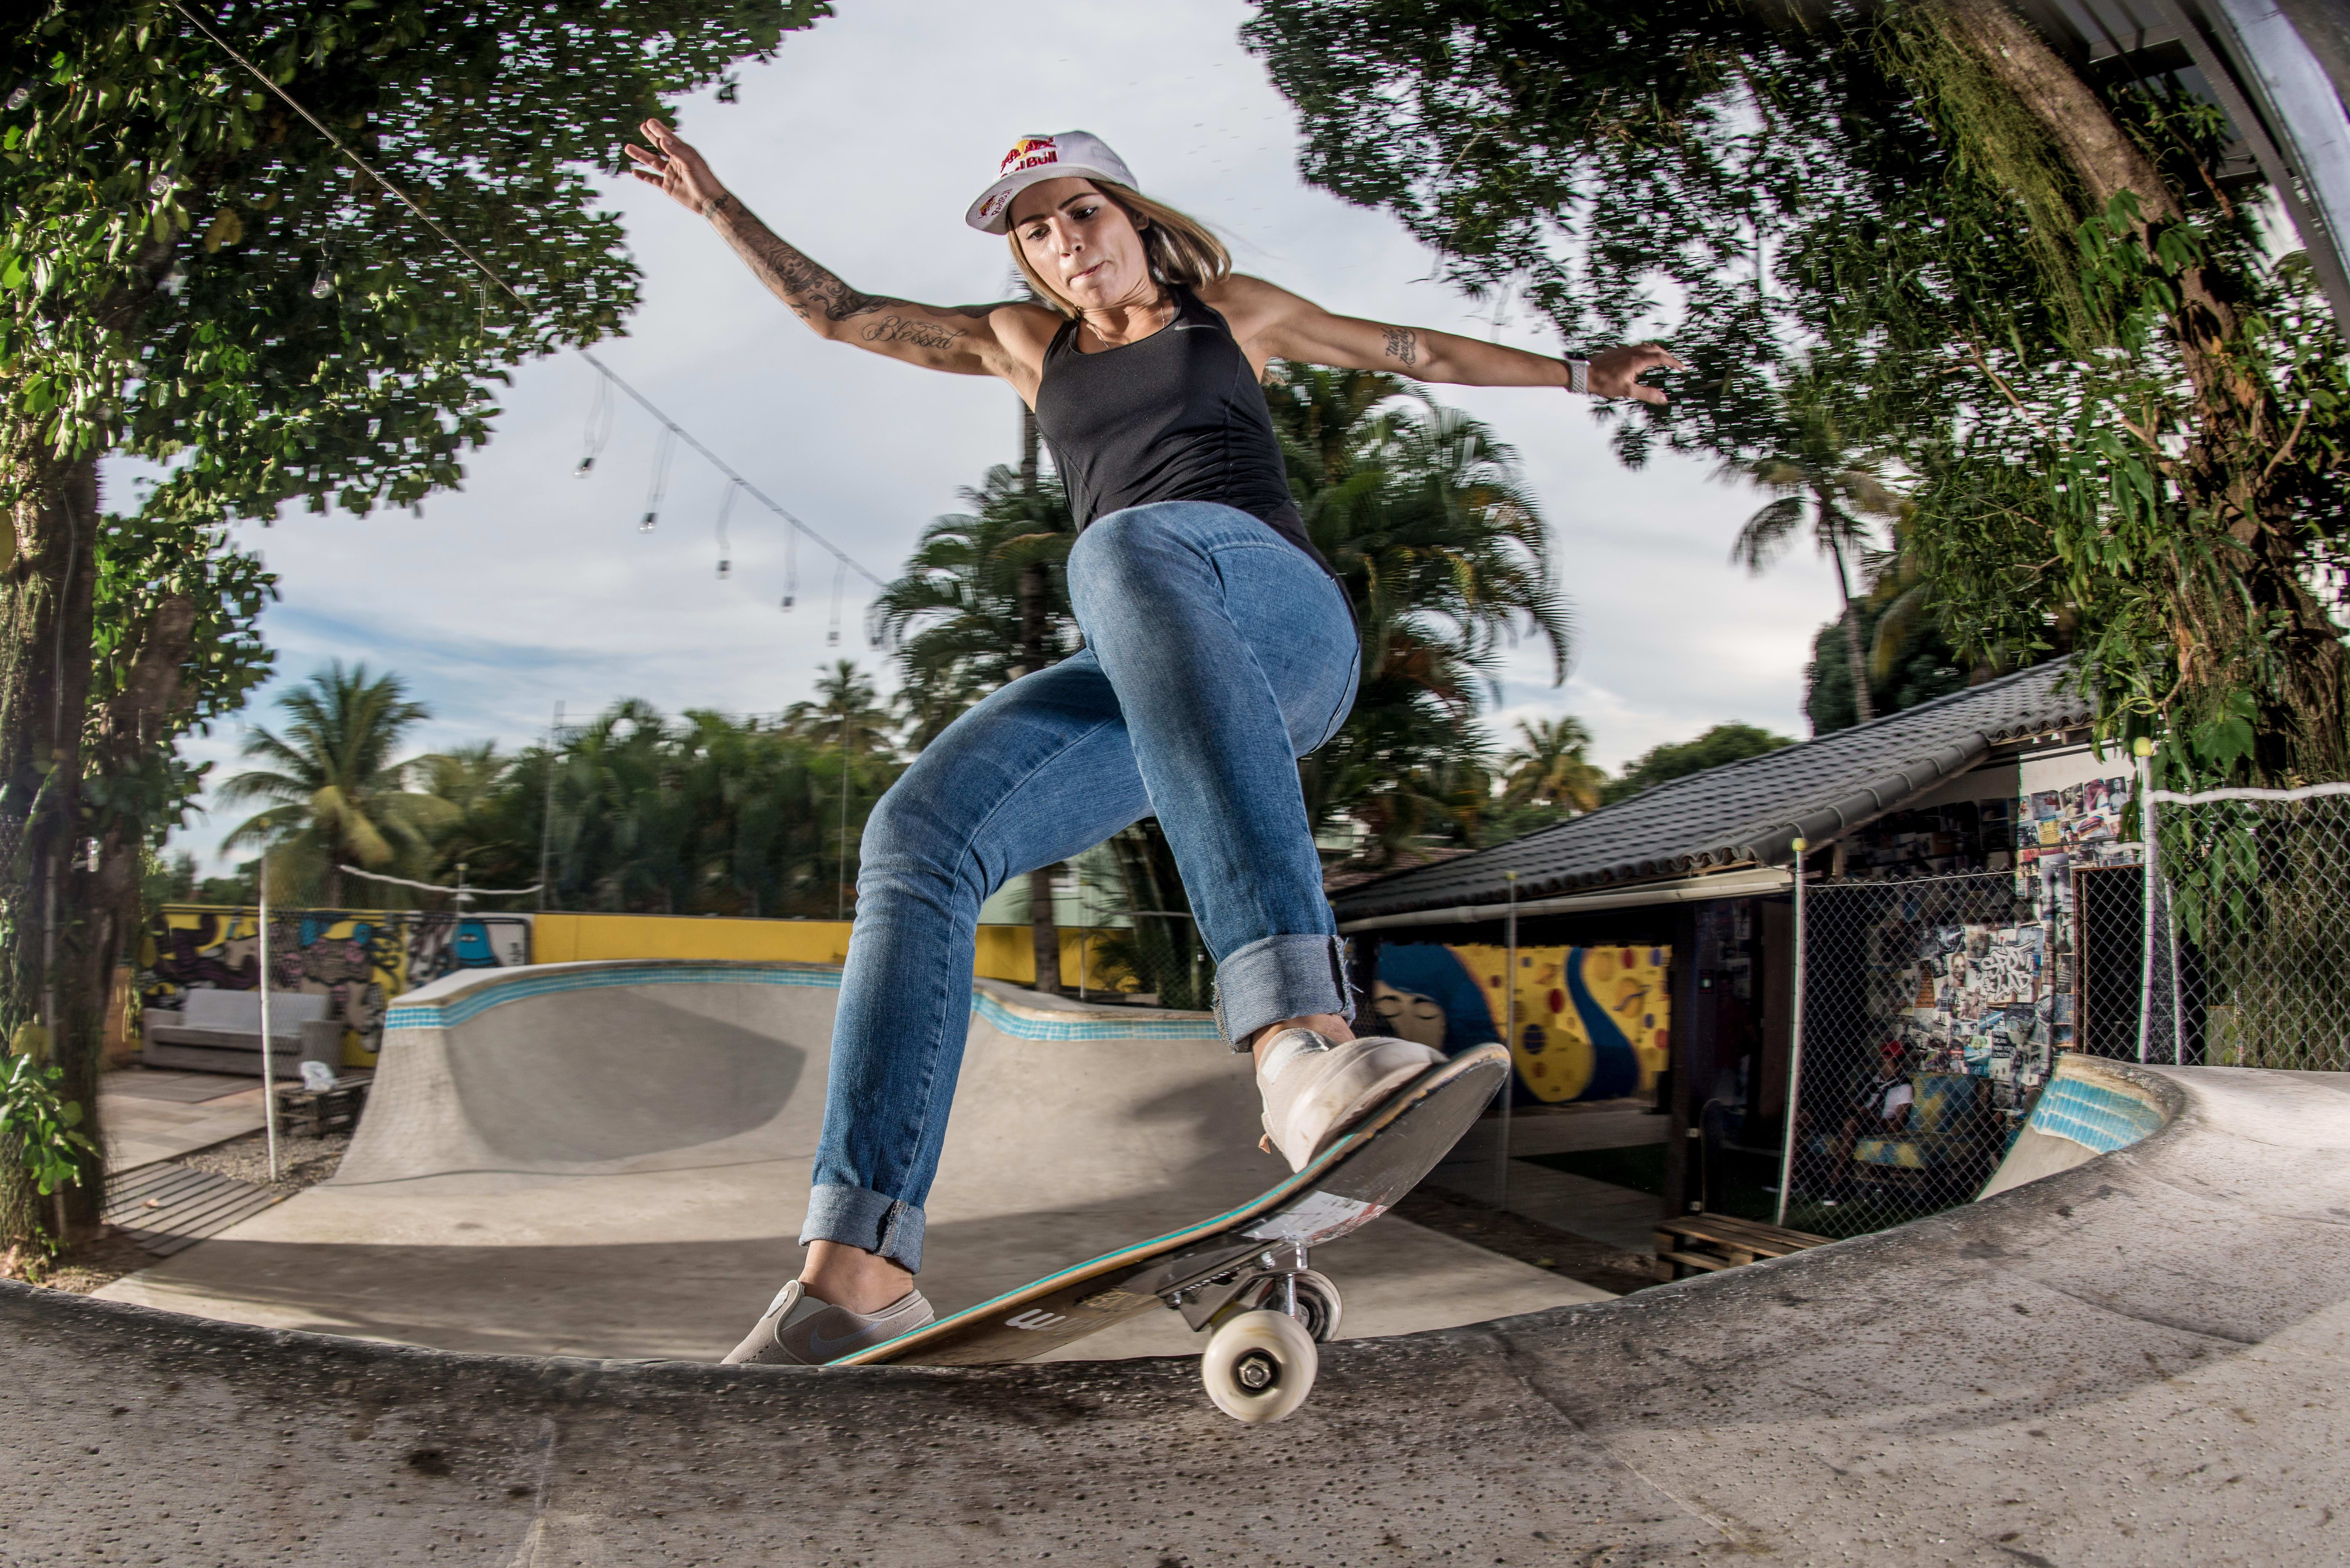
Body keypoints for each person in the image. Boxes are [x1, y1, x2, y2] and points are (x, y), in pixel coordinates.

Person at [622, 123, 1684, 1364]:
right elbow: (841, 314)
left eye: (1082, 212)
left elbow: (1413, 349)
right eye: (1036, 232)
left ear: (1131, 216)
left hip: (1280, 628)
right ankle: (856, 1271)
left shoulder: (1231, 313)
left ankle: (1299, 1042)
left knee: (1127, 543)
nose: (1065, 244)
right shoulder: (1024, 345)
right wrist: (717, 204)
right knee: (918, 837)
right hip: (1145, 664)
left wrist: (1582, 372)